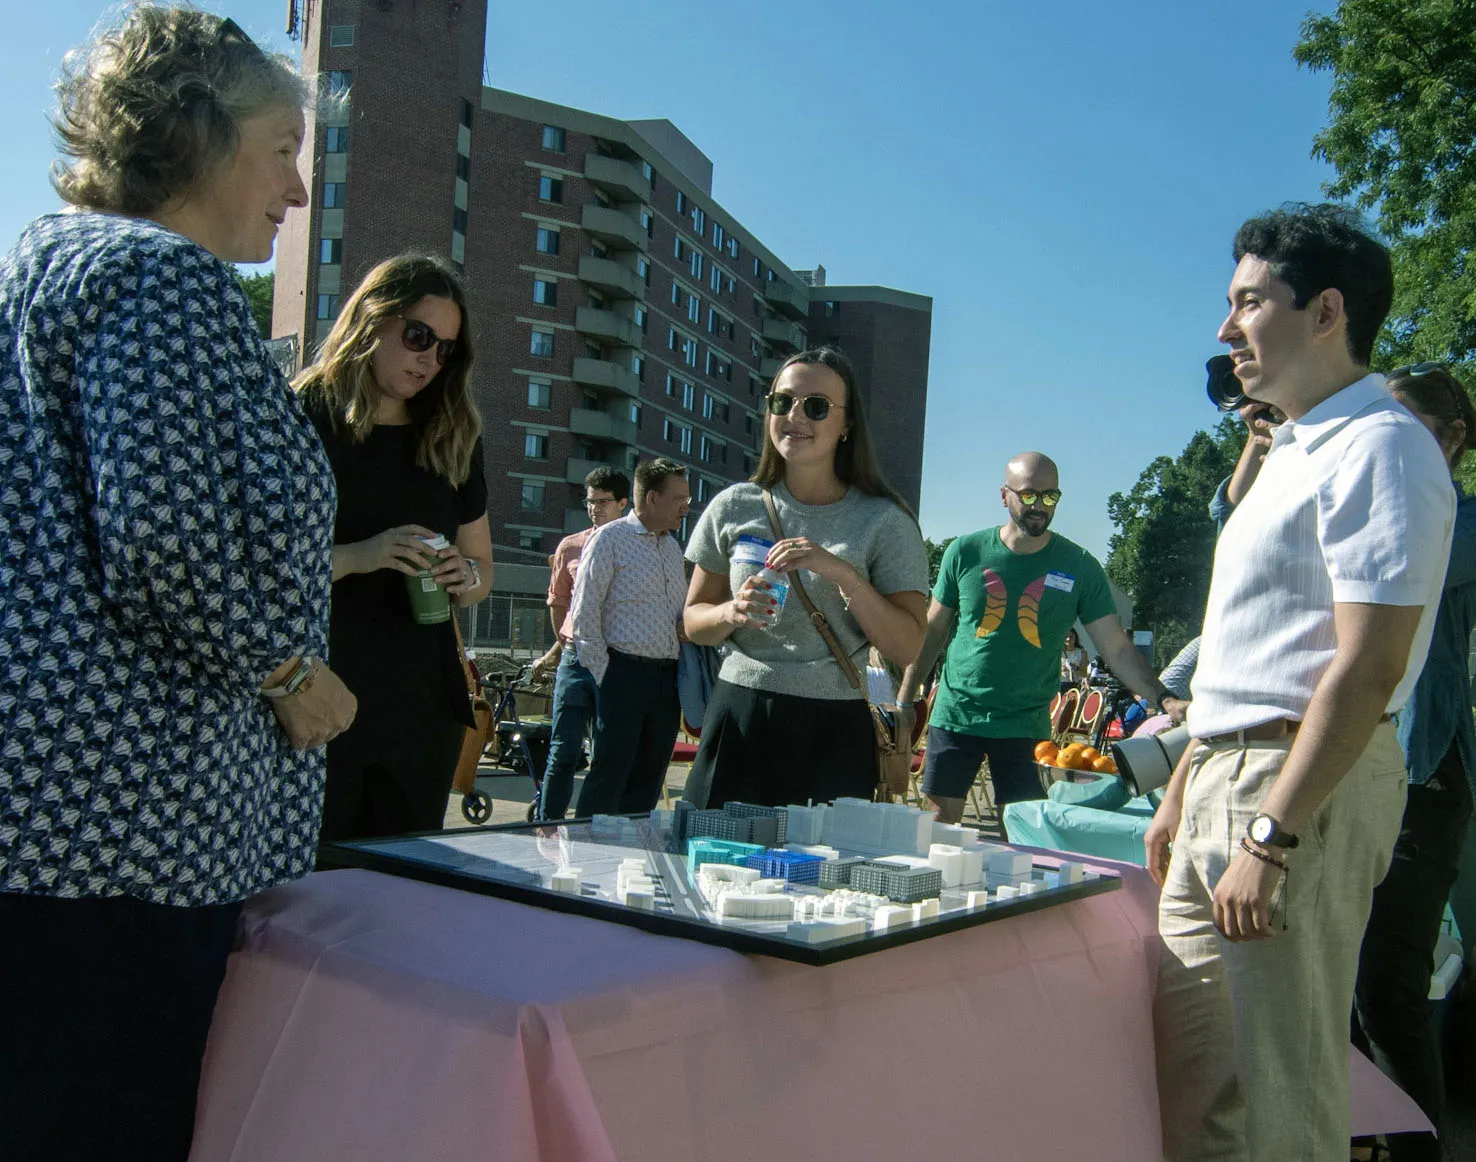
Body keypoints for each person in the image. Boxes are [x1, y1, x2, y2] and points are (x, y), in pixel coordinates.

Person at [0, 10, 357, 1160]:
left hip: (43, 822)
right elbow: (167, 537)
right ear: (196, 137)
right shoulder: (166, 281)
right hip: (133, 835)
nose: (296, 189)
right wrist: (293, 674)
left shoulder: (40, 267)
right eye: (281, 148)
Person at [1146, 204, 1456, 1162]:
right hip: (1217, 780)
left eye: (1247, 302)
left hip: (1296, 790)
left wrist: (1273, 833)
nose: (1226, 327)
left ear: (1326, 311)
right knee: (1204, 1102)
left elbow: (1368, 666)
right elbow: (1251, 647)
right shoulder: (1288, 451)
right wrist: (1181, 786)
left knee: (1286, 1102)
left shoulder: (1384, 446)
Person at [295, 255, 492, 842]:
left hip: (420, 704)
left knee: (404, 893)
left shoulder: (453, 432)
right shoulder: (302, 416)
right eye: (418, 337)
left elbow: (483, 569)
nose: (430, 360)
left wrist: (465, 576)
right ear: (372, 319)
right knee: (312, 892)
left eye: (446, 349)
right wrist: (363, 554)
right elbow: (258, 566)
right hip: (318, 697)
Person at [682, 347, 929, 807]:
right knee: (714, 867)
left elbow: (907, 645)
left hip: (835, 727)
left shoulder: (885, 521)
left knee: (820, 876)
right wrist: (732, 611)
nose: (795, 415)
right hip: (740, 711)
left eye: (816, 406)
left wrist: (843, 575)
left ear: (847, 424)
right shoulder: (735, 505)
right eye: (782, 402)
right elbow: (693, 621)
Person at [898, 452, 1188, 824]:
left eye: (1050, 497)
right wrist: (906, 700)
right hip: (957, 715)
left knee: (1022, 836)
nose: (1040, 506)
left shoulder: (1079, 565)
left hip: (1026, 724)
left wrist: (1164, 699)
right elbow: (933, 630)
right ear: (1005, 496)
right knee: (939, 829)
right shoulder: (965, 552)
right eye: (1030, 495)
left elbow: (1115, 647)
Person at [1353, 366, 1475, 1161]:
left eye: (1397, 428)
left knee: (1388, 984)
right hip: (1365, 772)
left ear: (1450, 439)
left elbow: (1399, 564)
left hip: (1425, 778)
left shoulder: (1459, 520)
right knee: (1348, 979)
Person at [569, 458, 690, 816]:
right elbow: (583, 613)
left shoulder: (671, 547)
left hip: (667, 679)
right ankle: (586, 853)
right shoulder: (610, 539)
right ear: (652, 498)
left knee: (649, 778)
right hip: (622, 675)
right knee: (610, 774)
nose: (687, 506)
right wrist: (604, 675)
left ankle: (633, 855)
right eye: (679, 498)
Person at [529, 466, 630, 819]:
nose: (595, 509)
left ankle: (593, 824)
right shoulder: (570, 546)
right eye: (590, 502)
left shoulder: (635, 546)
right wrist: (561, 645)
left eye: (603, 502)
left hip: (616, 657)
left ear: (623, 503)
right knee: (563, 748)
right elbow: (558, 602)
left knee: (605, 750)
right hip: (574, 657)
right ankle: (547, 822)